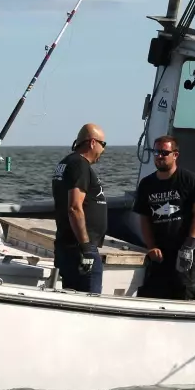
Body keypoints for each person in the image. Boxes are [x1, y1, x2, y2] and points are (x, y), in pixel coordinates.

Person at [132, 135, 195, 300]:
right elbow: (144, 218)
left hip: (184, 253)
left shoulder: (190, 180)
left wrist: (189, 245)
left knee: (184, 296)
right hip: (159, 255)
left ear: (175, 155)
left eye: (164, 152)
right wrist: (150, 246)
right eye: (156, 152)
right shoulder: (146, 184)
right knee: (152, 297)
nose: (159, 156)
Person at [52, 123, 109, 294]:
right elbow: (75, 208)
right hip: (80, 249)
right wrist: (86, 248)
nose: (103, 150)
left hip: (68, 246)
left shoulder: (66, 163)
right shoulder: (79, 165)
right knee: (89, 305)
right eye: (103, 144)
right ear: (92, 142)